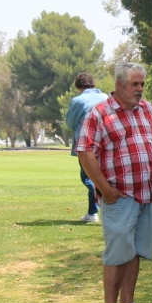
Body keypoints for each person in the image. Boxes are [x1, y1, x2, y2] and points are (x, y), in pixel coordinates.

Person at [76, 62, 152, 303]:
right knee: (116, 255)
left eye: (142, 84)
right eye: (135, 84)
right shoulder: (100, 113)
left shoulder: (147, 109)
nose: (140, 89)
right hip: (119, 196)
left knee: (134, 252)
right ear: (120, 85)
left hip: (146, 192)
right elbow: (86, 152)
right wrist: (105, 190)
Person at [65, 73, 109, 223]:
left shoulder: (78, 100)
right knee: (98, 175)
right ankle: (92, 213)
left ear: (78, 87)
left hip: (87, 144)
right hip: (106, 143)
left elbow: (70, 123)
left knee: (88, 177)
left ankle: (106, 198)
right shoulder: (106, 97)